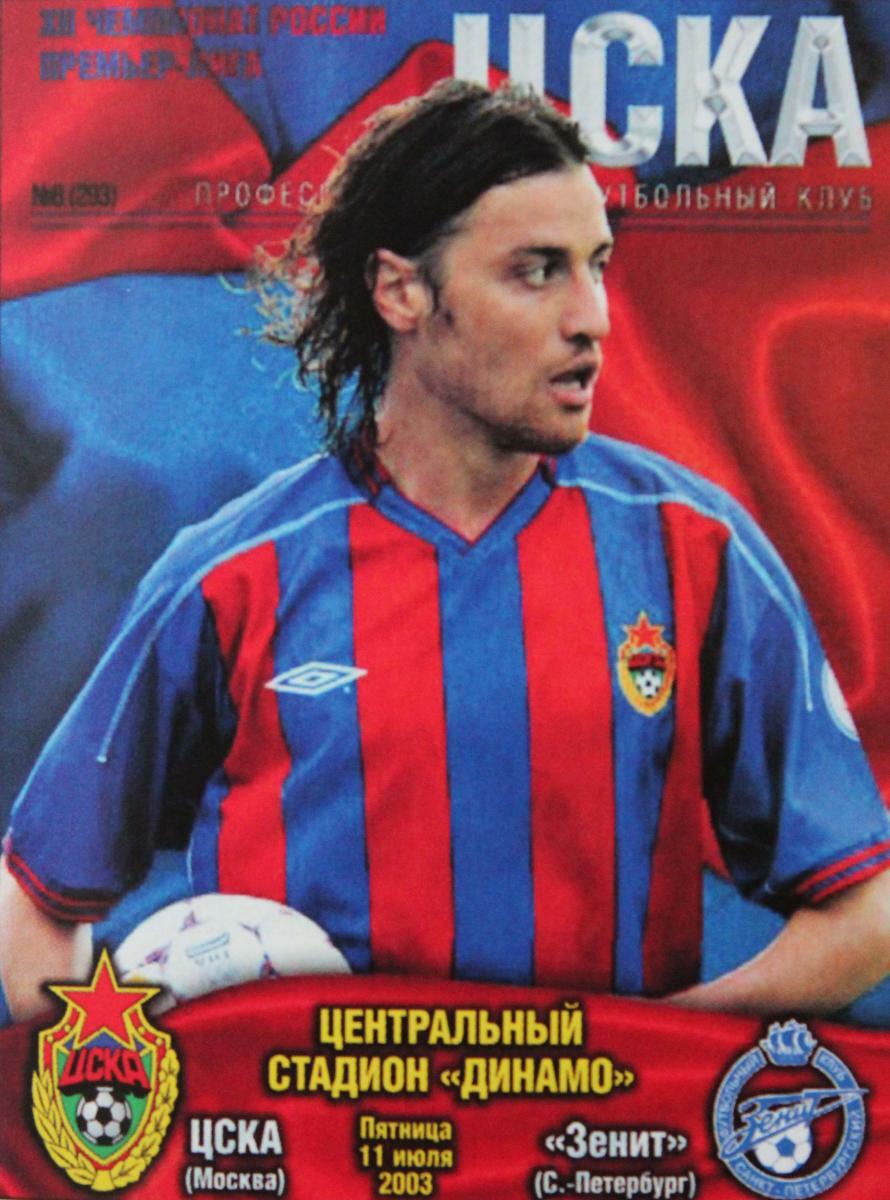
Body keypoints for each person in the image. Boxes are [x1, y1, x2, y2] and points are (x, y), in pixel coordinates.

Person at [2, 80, 889, 1022]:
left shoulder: (693, 548)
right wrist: (111, 1079)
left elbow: (864, 911)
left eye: (596, 265)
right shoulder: (229, 573)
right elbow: (37, 901)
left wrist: (655, 1059)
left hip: (595, 1122)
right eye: (537, 271)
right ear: (402, 292)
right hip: (316, 1118)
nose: (592, 317)